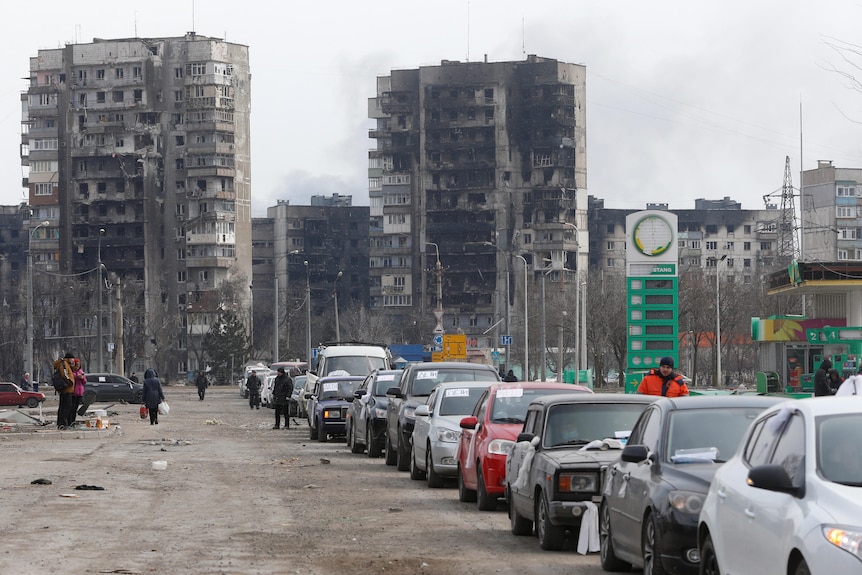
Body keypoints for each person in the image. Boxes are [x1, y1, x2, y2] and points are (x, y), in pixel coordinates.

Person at [52, 353, 76, 429]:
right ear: (68, 358)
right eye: (72, 359)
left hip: (66, 389)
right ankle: (63, 424)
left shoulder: (66, 364)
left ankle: (63, 423)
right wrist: (70, 382)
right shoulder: (63, 364)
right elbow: (64, 374)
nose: (73, 360)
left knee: (64, 406)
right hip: (66, 389)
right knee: (66, 407)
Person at [68, 358, 87, 426]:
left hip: (80, 392)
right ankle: (70, 421)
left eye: (78, 365)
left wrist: (82, 378)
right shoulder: (71, 372)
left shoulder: (80, 371)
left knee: (75, 407)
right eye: (76, 365)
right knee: (71, 408)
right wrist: (76, 377)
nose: (77, 366)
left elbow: (84, 381)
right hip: (73, 392)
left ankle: (73, 421)